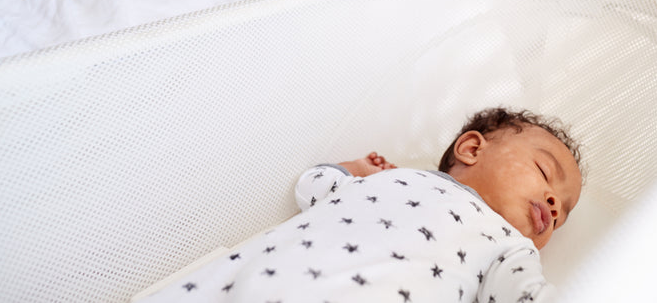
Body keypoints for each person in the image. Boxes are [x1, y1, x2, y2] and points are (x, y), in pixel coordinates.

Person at [138, 107, 583, 302]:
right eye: (545, 172)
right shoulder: (396, 178)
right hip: (270, 273)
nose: (553, 205)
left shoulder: (508, 245)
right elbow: (314, 186)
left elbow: (527, 294)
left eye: (562, 213)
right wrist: (355, 170)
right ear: (471, 149)